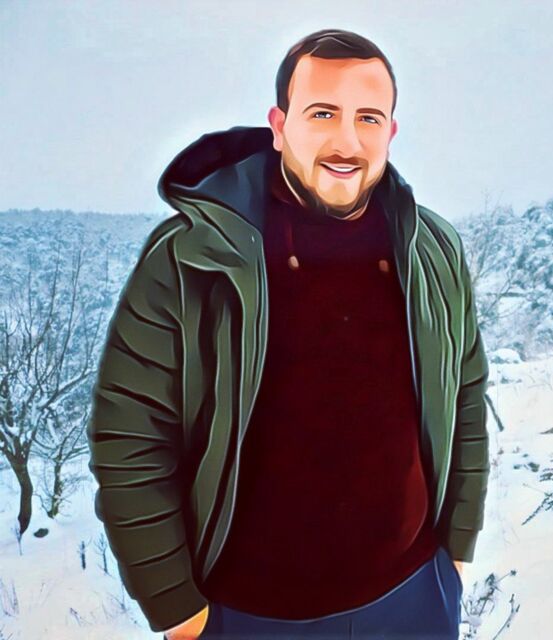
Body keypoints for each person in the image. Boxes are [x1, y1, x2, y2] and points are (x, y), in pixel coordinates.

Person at [87, 28, 489, 640]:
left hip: (414, 597)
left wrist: (455, 552)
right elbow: (129, 436)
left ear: (390, 132)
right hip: (250, 614)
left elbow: (466, 396)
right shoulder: (193, 257)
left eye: (368, 118)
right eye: (323, 113)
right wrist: (178, 608)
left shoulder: (430, 248)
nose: (347, 141)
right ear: (279, 125)